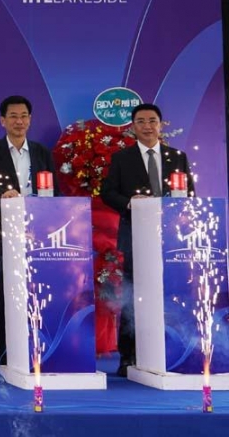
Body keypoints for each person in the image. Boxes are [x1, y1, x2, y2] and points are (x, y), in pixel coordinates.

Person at [101, 103, 193, 377]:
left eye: (152, 120)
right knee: (133, 296)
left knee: (171, 294)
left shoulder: (177, 157)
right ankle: (128, 356)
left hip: (171, 240)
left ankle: (172, 352)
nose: (147, 126)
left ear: (160, 125)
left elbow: (189, 194)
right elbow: (108, 193)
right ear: (133, 127)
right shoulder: (122, 158)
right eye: (140, 121)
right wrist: (131, 202)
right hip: (135, 236)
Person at [0, 95, 56, 370]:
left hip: (39, 233)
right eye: (13, 116)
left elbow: (54, 189)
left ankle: (37, 350)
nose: (19, 121)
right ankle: (2, 355)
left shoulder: (42, 152)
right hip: (1, 232)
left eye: (24, 116)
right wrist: (3, 193)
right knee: (3, 294)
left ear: (30, 120)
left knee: (38, 292)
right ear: (3, 120)